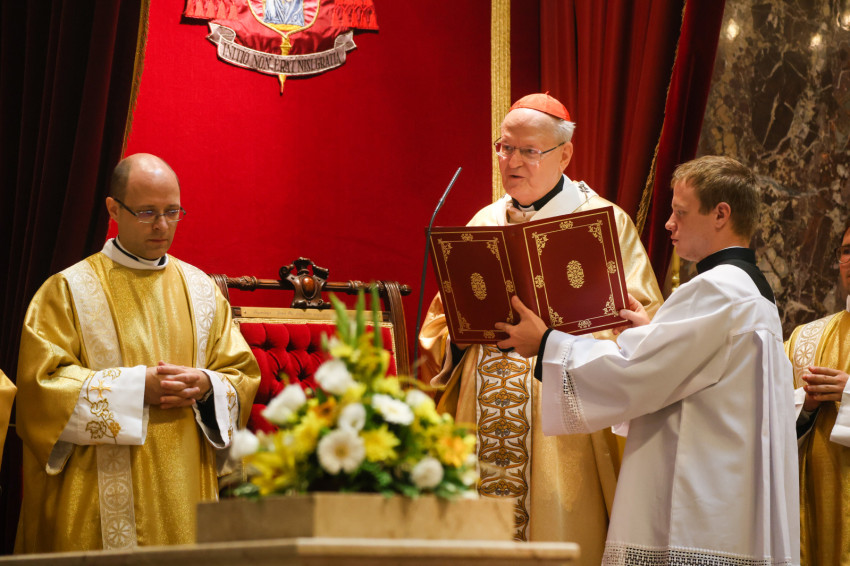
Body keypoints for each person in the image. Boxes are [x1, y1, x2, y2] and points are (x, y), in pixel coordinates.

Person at [497, 155, 799, 565]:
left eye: (680, 212)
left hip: (694, 506)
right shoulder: (751, 288)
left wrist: (547, 343)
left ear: (720, 214)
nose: (669, 224)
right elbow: (687, 371)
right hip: (728, 497)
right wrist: (651, 333)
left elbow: (634, 377)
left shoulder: (717, 290)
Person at [419, 93, 663, 561]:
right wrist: (461, 335)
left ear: (564, 154)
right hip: (483, 412)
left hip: (565, 428)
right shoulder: (484, 221)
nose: (511, 162)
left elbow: (644, 332)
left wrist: (555, 336)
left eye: (528, 151)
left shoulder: (604, 223)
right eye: (504, 147)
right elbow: (439, 325)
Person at [14, 153, 261, 553]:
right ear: (114, 209)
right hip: (97, 495)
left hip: (186, 484)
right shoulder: (68, 289)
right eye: (147, 212)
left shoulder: (202, 291)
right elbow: (41, 389)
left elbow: (240, 374)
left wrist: (206, 384)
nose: (162, 225)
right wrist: (134, 388)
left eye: (172, 211)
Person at [785, 222, 850, 566]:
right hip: (814, 512)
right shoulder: (805, 340)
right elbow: (765, 417)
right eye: (847, 251)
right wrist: (806, 405)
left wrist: (848, 392)